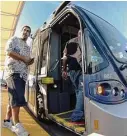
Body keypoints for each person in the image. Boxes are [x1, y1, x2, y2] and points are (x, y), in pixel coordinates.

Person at [3, 25, 34, 136]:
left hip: (23, 74)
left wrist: (29, 61)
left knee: (12, 98)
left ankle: (7, 121)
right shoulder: (14, 39)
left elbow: (27, 61)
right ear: (21, 31)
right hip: (13, 71)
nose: (26, 32)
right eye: (24, 30)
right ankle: (16, 124)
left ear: (29, 34)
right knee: (16, 97)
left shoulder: (27, 47)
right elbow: (8, 51)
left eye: (28, 31)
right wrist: (23, 58)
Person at [62, 30, 84, 123]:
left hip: (71, 70)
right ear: (78, 34)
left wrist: (64, 69)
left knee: (78, 91)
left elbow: (65, 57)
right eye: (80, 33)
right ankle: (76, 116)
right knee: (81, 91)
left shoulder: (69, 42)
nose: (81, 35)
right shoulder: (80, 41)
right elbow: (65, 57)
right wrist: (64, 70)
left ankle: (80, 112)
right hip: (79, 69)